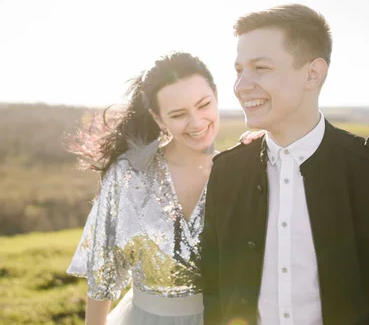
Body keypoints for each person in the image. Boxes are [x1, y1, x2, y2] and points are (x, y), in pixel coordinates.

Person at [201, 4, 369, 325]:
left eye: (260, 68)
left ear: (313, 73)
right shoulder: (227, 173)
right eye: (239, 70)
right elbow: (216, 294)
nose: (241, 85)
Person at [66, 52, 260, 325]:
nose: (196, 122)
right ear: (158, 118)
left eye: (204, 105)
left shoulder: (245, 172)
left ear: (216, 95)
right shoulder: (128, 174)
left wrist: (271, 148)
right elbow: (102, 273)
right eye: (178, 114)